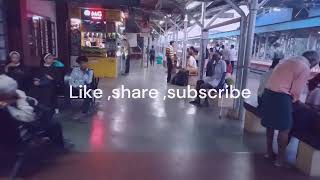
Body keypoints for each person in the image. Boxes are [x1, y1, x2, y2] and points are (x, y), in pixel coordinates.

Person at [260, 51, 320, 167]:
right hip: (281, 97)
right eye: (315, 64)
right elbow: (295, 92)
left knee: (270, 125)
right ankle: (280, 160)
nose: (314, 66)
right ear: (312, 61)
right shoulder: (305, 67)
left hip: (268, 93)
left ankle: (268, 152)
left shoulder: (288, 60)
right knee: (285, 128)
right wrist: (300, 104)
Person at [0, 75, 68, 149]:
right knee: (54, 124)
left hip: (19, 123)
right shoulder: (4, 108)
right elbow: (28, 117)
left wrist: (22, 99)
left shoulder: (15, 94)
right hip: (15, 133)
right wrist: (14, 105)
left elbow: (31, 102)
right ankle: (58, 149)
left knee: (47, 115)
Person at [66, 56, 94, 120]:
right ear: (79, 64)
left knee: (88, 92)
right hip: (75, 88)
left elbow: (89, 81)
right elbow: (71, 81)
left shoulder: (90, 71)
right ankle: (68, 108)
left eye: (85, 63)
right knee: (67, 89)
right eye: (82, 63)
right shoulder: (75, 70)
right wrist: (77, 86)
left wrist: (86, 73)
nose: (84, 64)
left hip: (84, 88)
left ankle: (84, 111)